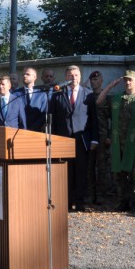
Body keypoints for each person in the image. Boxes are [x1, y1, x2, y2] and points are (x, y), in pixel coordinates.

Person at [97, 70, 135, 212]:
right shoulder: (117, 98)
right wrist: (110, 86)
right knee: (119, 174)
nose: (127, 82)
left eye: (130, 80)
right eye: (125, 80)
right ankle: (123, 201)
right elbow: (99, 102)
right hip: (118, 142)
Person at [50, 65, 98, 212]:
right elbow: (52, 119)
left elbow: (94, 119)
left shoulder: (88, 94)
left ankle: (80, 202)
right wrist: (52, 139)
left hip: (81, 139)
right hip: (63, 139)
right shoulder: (57, 95)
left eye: (76, 75)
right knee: (66, 172)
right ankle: (67, 201)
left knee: (81, 172)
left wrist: (94, 139)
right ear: (66, 77)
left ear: (80, 77)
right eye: (70, 75)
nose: (73, 78)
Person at [85, 70, 111, 205]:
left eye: (96, 80)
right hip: (90, 136)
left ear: (101, 81)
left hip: (103, 136)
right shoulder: (88, 97)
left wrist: (110, 136)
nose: (93, 82)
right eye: (92, 80)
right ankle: (91, 194)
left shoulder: (107, 97)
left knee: (102, 167)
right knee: (89, 166)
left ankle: (102, 195)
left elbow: (113, 118)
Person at [20, 67, 48, 132]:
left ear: (35, 77)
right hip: (19, 130)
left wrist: (34, 128)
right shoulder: (16, 94)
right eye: (23, 74)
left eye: (27, 74)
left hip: (36, 131)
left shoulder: (41, 94)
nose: (24, 76)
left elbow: (44, 114)